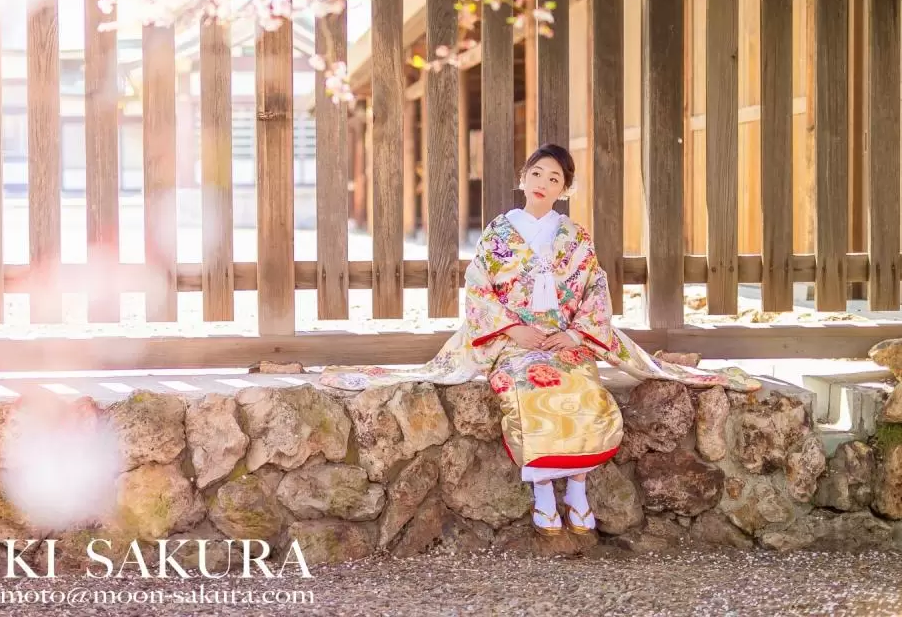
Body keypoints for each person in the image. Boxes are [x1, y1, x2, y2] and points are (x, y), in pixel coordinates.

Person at [320, 144, 763, 536]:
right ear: (522, 178)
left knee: (584, 388)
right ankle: (545, 498)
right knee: (532, 391)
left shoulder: (575, 237)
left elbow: (595, 290)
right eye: (536, 174)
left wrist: (571, 333)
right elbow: (478, 289)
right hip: (510, 337)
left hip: (566, 337)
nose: (543, 183)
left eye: (554, 178)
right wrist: (514, 329)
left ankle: (576, 488)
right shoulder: (498, 233)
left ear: (564, 189)